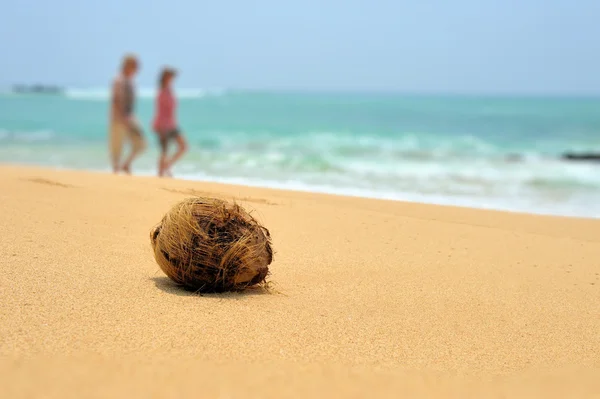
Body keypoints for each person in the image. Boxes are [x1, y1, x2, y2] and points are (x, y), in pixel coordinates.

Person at [109, 54, 146, 174]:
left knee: (141, 143)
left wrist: (130, 118)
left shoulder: (131, 81)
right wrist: (122, 117)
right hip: (118, 118)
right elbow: (116, 100)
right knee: (117, 146)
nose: (137, 69)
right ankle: (116, 171)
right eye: (135, 66)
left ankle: (126, 164)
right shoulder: (118, 80)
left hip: (130, 117)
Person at [152, 67, 188, 177]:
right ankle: (161, 173)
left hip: (172, 124)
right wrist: (160, 127)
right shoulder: (162, 92)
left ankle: (167, 166)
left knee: (183, 146)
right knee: (164, 150)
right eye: (170, 76)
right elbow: (160, 111)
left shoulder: (169, 90)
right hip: (162, 125)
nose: (172, 79)